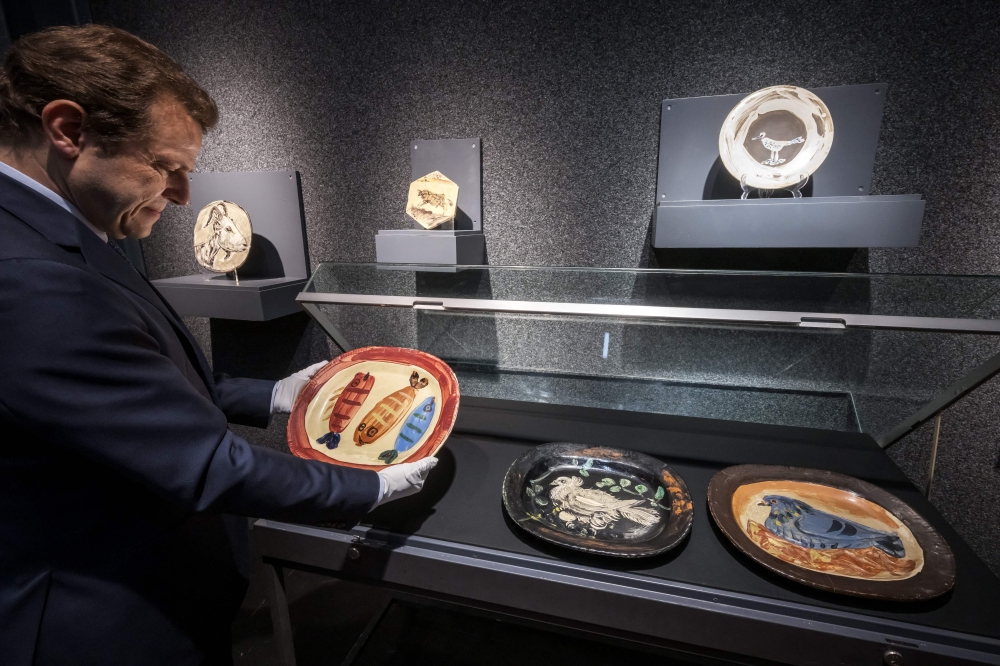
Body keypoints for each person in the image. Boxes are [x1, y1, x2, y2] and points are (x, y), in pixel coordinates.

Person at [0, 24, 437, 666]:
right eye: (166, 167)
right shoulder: (29, 276)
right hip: (102, 621)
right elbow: (204, 466)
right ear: (67, 129)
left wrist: (274, 395)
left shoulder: (58, 235)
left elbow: (126, 389)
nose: (182, 196)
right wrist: (366, 489)